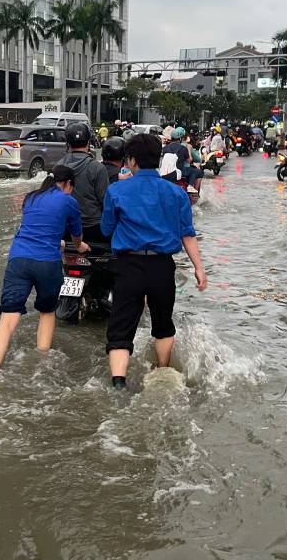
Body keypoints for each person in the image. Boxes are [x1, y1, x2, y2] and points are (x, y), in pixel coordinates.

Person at [101, 135, 207, 390]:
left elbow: (106, 229)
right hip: (162, 266)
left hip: (128, 266)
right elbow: (187, 234)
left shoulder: (116, 190)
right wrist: (199, 268)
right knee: (163, 322)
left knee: (121, 326)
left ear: (132, 160)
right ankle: (163, 371)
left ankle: (118, 384)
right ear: (158, 160)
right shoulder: (176, 193)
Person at [0, 166, 88, 376]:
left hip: (19, 259)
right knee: (47, 312)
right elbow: (76, 236)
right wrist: (80, 247)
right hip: (47, 263)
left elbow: (36, 227)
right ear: (68, 184)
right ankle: (41, 366)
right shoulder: (69, 201)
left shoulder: (31, 197)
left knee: (7, 321)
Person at [59, 123, 111, 244]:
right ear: (88, 143)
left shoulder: (58, 167)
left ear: (68, 144)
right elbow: (105, 201)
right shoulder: (97, 168)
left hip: (66, 229)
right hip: (93, 228)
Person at [161, 127, 203, 193]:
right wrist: (188, 148)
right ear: (180, 138)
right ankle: (192, 188)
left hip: (166, 173)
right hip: (179, 171)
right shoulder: (183, 148)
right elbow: (189, 160)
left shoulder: (165, 148)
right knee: (198, 172)